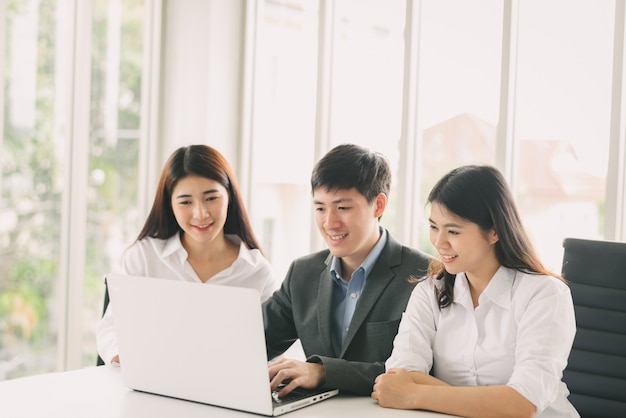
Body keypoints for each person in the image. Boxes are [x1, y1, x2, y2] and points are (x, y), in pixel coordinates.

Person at [372, 165, 578, 417]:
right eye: (434, 227)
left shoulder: (545, 294)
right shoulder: (430, 290)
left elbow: (522, 404)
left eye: (454, 231)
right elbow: (400, 375)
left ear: (494, 231)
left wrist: (415, 394)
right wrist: (491, 403)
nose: (438, 242)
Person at [263, 143, 432, 398]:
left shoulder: (424, 275)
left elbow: (418, 374)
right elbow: (254, 340)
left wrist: (322, 372)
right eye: (320, 208)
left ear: (379, 205)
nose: (329, 222)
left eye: (343, 208)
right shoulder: (302, 273)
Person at [96, 144, 277, 365]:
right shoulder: (145, 257)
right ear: (170, 204)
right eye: (185, 202)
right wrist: (129, 359)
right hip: (153, 384)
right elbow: (111, 329)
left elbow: (269, 351)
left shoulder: (257, 271)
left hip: (223, 390)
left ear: (229, 196)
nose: (200, 213)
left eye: (211, 198)